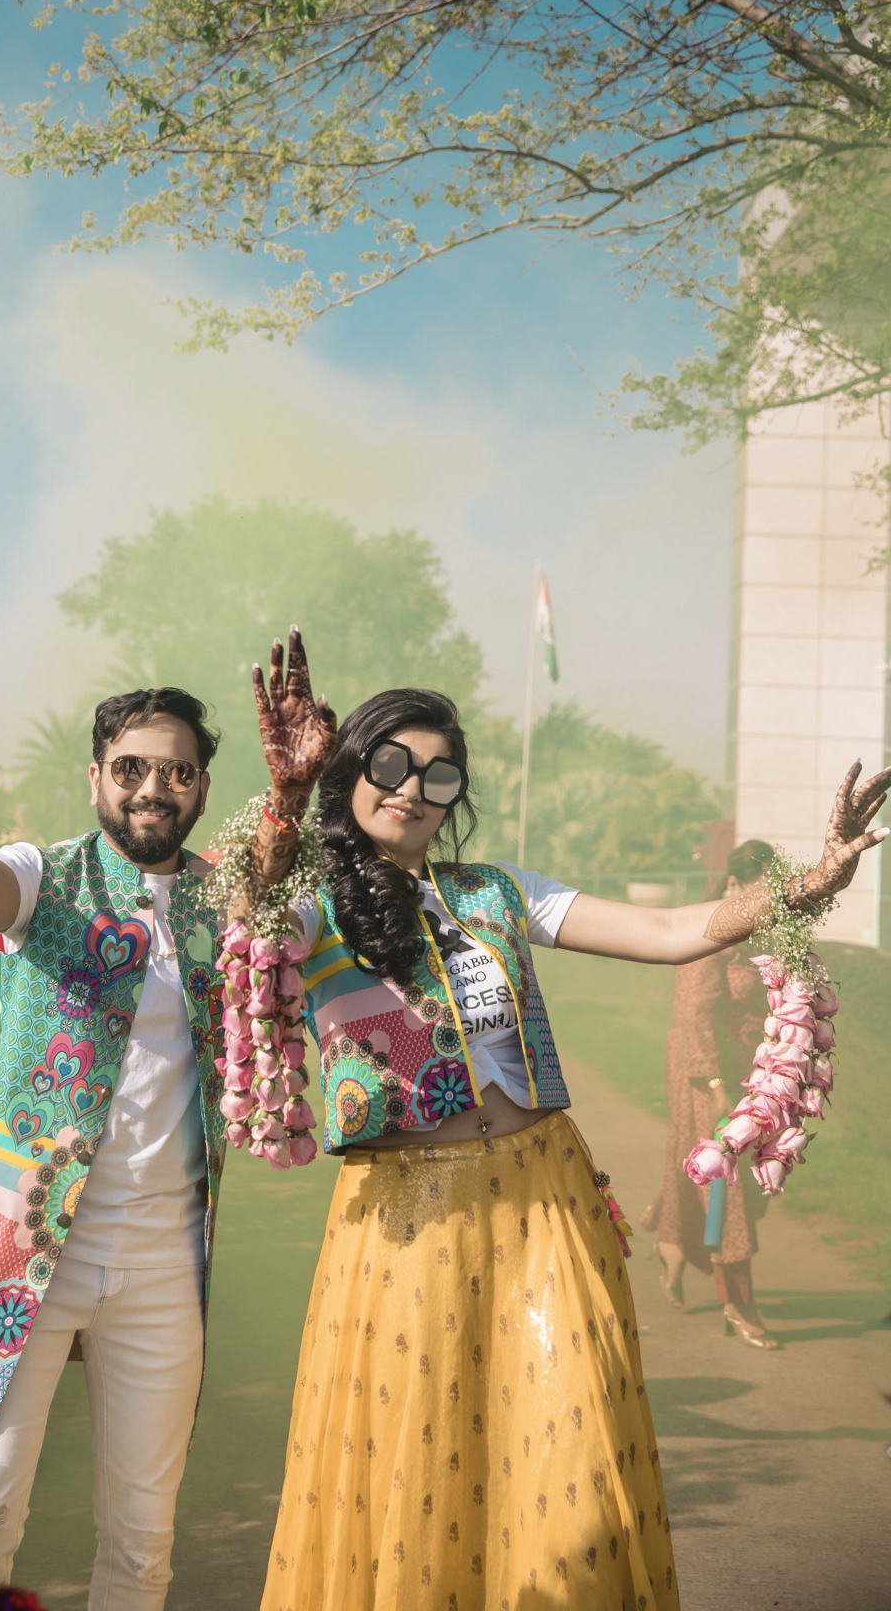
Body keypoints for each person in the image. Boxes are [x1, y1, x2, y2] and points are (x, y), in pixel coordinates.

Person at [257, 687, 888, 1611]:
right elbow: (240, 925)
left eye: (438, 773)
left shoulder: (498, 892)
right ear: (349, 768)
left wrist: (813, 881)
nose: (412, 789)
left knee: (570, 1436)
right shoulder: (309, 907)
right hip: (403, 1219)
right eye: (388, 764)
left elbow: (674, 931)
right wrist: (282, 803)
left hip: (543, 1199)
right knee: (419, 1453)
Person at [0, 631, 333, 1611]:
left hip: (162, 1253)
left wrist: (291, 797)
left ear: (202, 788)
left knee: (144, 1530)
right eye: (131, 769)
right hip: (22, 1240)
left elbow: (278, 891)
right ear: (95, 778)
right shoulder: (45, 878)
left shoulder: (218, 897)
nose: (152, 788)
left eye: (177, 772)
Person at [641, 840, 780, 1349]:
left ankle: (672, 1243)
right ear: (734, 886)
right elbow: (693, 1016)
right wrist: (717, 1087)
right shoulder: (713, 931)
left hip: (749, 1070)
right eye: (759, 891)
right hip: (705, 1072)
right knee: (727, 1183)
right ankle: (738, 1303)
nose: (769, 902)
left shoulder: (766, 936)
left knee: (705, 1164)